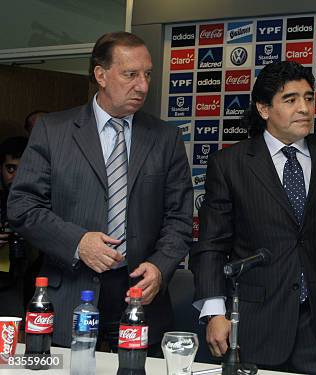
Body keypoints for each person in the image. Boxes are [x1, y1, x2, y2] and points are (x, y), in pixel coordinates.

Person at [7, 32, 193, 353]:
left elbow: (178, 218)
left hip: (139, 297)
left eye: (147, 74)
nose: (143, 86)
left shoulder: (165, 138)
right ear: (101, 75)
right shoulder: (54, 131)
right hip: (69, 293)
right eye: (130, 74)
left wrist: (160, 267)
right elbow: (23, 206)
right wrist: (78, 242)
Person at [190, 61, 316, 375]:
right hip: (255, 326)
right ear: (263, 108)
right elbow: (211, 246)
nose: (305, 108)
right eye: (291, 99)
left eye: (309, 98)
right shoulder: (229, 164)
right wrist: (215, 312)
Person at [0, 136, 32, 317]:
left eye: (23, 169)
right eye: (10, 169)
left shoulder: (45, 202)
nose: (16, 177)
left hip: (26, 278)